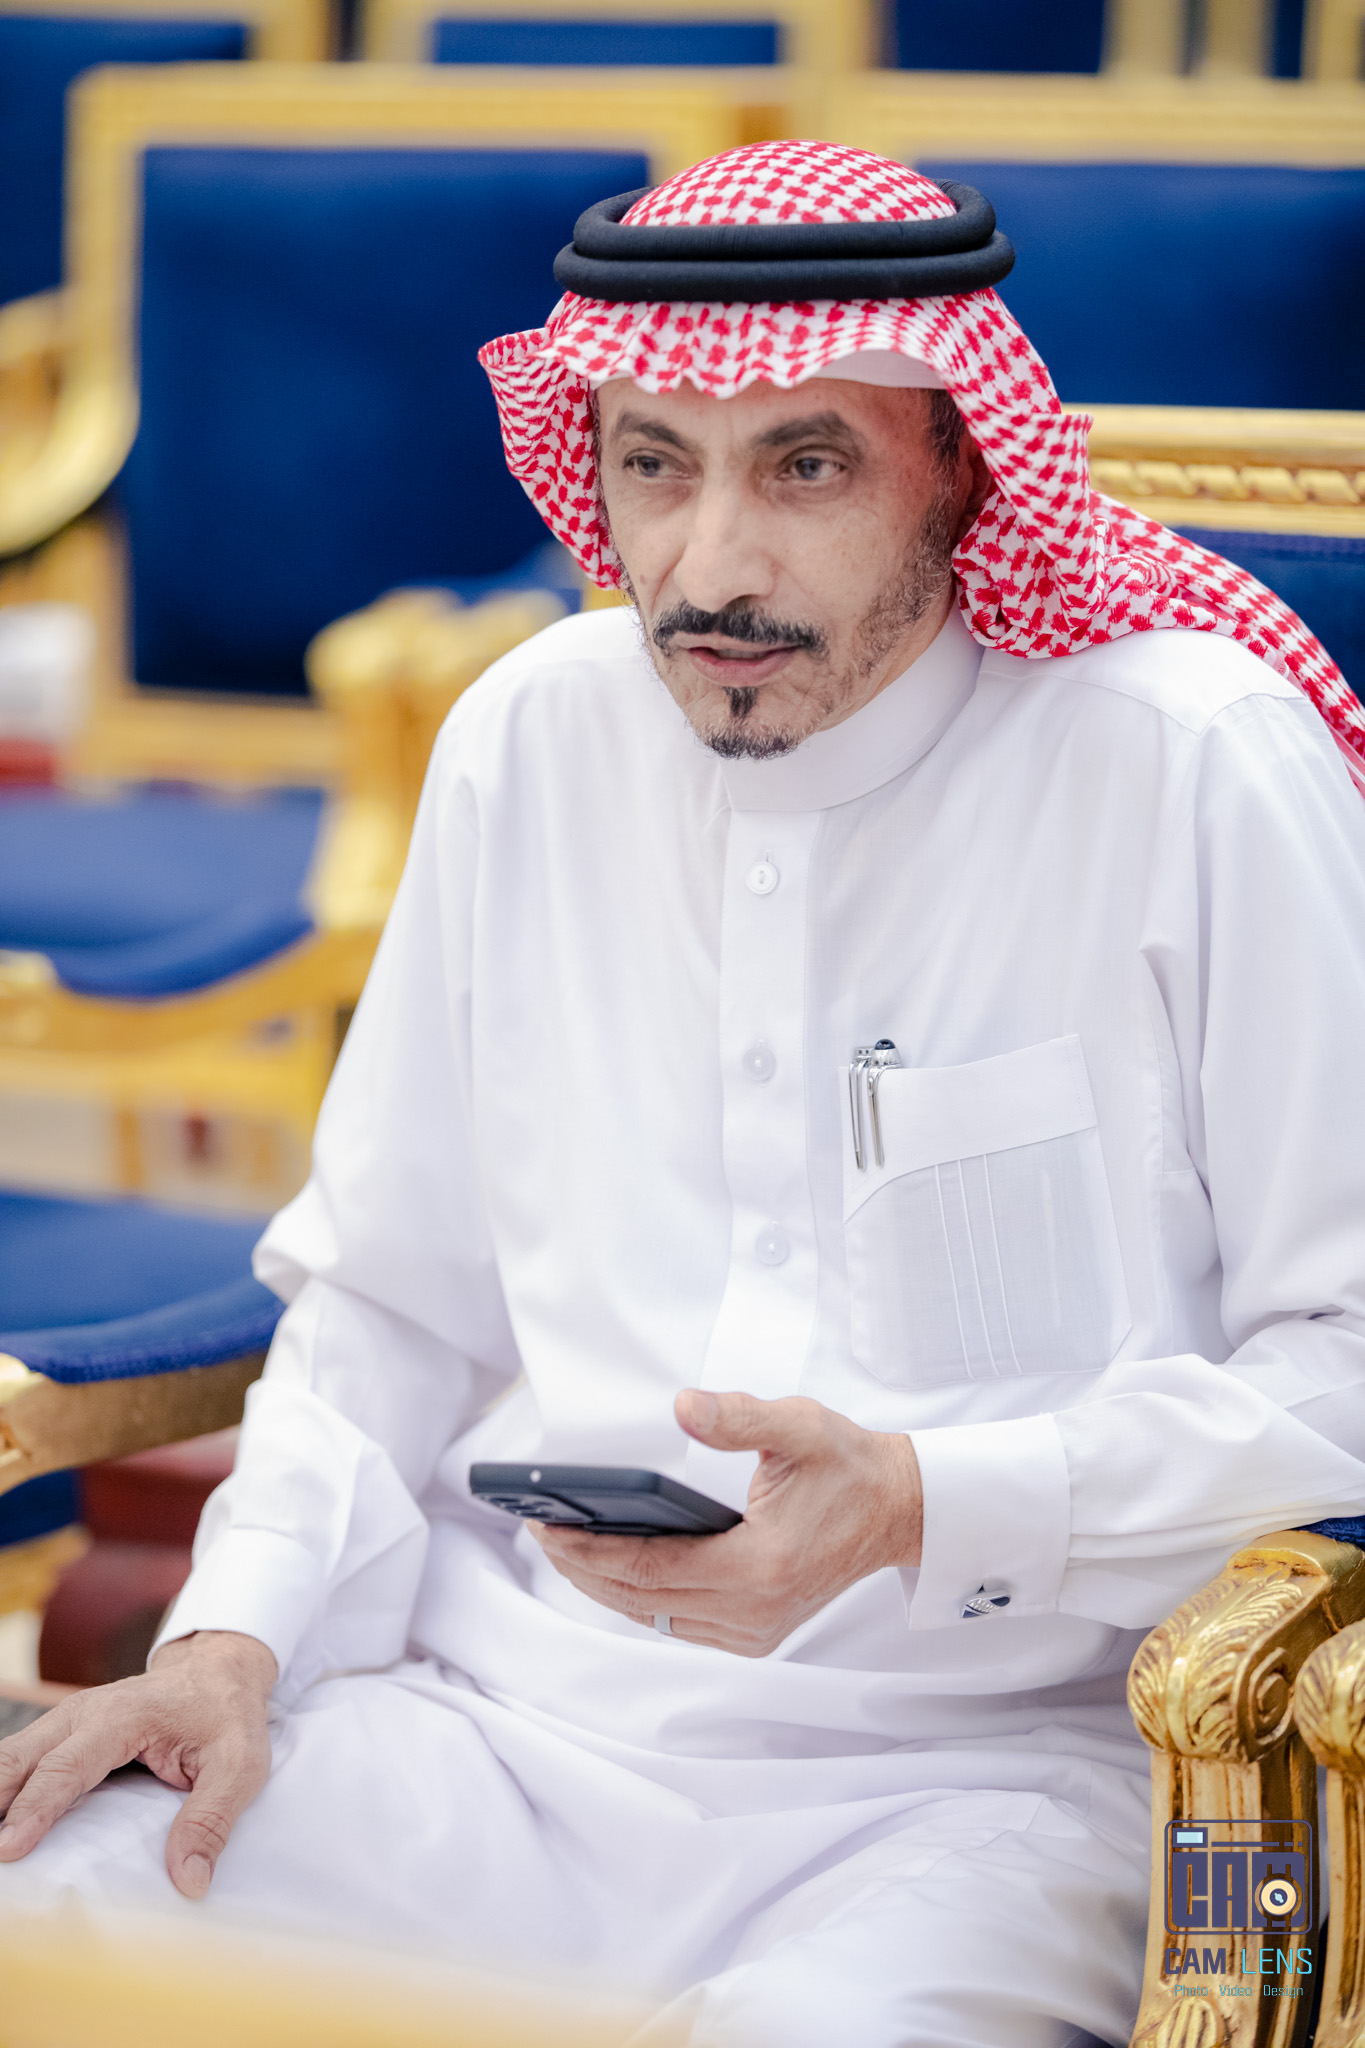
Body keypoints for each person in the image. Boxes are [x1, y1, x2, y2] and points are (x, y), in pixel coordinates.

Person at [3, 141, 1365, 2048]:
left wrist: (924, 1503)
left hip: (986, 1789)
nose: (709, 568)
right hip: (503, 1730)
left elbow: (1346, 1367)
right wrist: (232, 1640)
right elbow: (389, 1299)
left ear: (960, 465)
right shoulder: (527, 737)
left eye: (803, 466)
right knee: (50, 1929)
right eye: (654, 464)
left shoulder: (1191, 765)